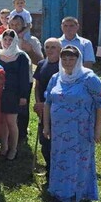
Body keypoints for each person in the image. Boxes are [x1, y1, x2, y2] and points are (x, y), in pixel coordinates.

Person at [43, 45, 101, 202]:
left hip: (81, 130)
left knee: (76, 161)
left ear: (78, 59)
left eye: (71, 58)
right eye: (64, 58)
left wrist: (98, 129)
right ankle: (59, 191)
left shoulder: (89, 78)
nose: (67, 61)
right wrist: (46, 125)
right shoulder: (56, 77)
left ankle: (74, 194)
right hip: (59, 131)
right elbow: (48, 103)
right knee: (59, 159)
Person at [7, 15, 43, 141]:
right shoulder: (5, 38)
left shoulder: (32, 40)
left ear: (23, 25)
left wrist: (30, 50)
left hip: (25, 79)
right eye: (12, 24)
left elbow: (40, 61)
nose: (15, 27)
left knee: (22, 107)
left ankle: (21, 134)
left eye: (17, 24)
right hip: (8, 81)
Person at [0, 30, 31, 161]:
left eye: (10, 40)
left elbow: (24, 77)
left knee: (11, 122)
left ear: (15, 41)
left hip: (14, 94)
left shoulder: (21, 56)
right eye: (5, 39)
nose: (7, 42)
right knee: (2, 122)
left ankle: (13, 148)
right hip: (0, 93)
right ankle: (4, 146)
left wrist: (23, 96)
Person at [33, 38, 61, 177]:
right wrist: (38, 102)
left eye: (53, 47)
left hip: (57, 109)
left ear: (60, 49)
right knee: (45, 140)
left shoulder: (63, 66)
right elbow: (37, 87)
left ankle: (57, 169)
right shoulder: (41, 64)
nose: (50, 50)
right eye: (47, 47)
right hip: (43, 109)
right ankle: (49, 167)